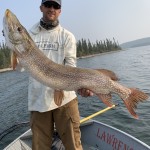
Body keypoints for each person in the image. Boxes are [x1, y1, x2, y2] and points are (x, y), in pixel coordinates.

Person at [12, 0, 93, 150]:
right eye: (48, 4)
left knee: (73, 145)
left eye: (56, 6)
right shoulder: (29, 34)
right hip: (38, 101)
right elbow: (19, 69)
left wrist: (81, 86)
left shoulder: (67, 36)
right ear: (41, 7)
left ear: (60, 10)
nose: (52, 9)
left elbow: (71, 68)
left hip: (66, 100)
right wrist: (15, 49)